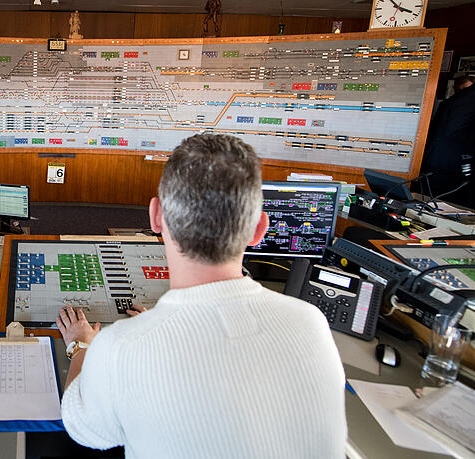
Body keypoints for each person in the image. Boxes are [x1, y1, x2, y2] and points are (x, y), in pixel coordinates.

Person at [56, 134, 346, 458]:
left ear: (155, 217)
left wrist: (81, 346)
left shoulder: (120, 347)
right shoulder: (310, 322)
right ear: (259, 229)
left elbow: (84, 429)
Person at [421, 72, 475, 209]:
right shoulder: (469, 99)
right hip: (456, 164)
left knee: (432, 203)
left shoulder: (450, 102)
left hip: (435, 159)